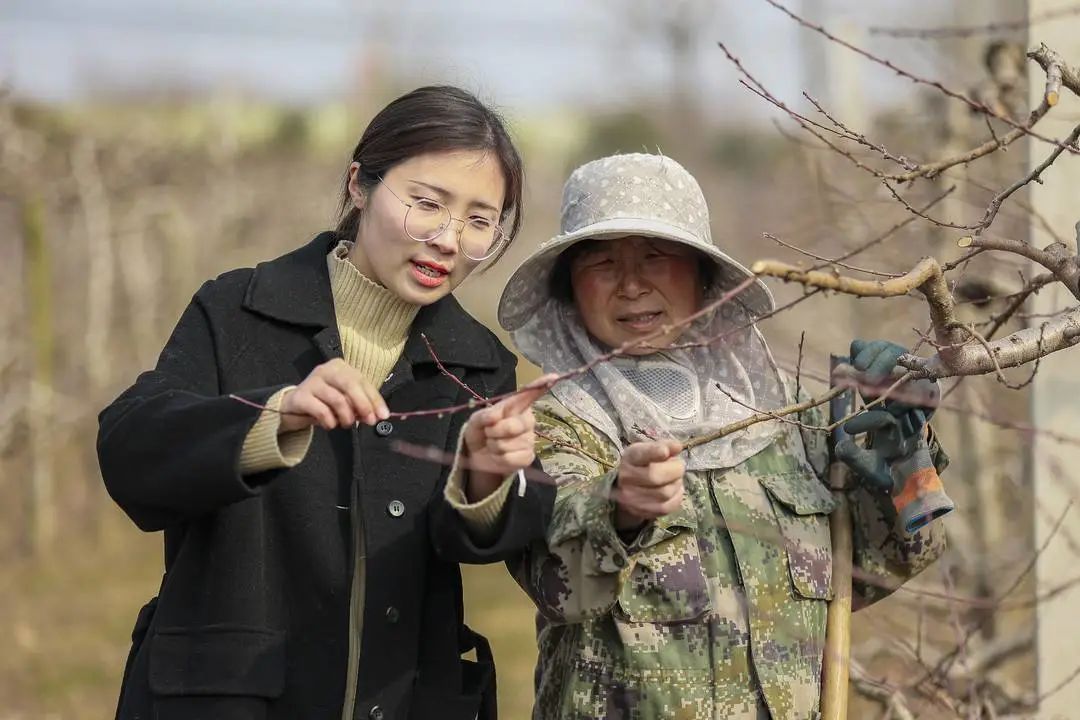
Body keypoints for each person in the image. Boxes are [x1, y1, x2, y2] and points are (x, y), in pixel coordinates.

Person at [97, 85, 554, 720]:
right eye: (428, 204)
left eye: (480, 220)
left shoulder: (478, 362)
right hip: (230, 697)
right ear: (360, 185)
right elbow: (130, 453)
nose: (449, 239)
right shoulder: (237, 310)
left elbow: (479, 544)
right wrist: (274, 415)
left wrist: (485, 476)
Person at [498, 153, 950, 719]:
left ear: (704, 277)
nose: (632, 284)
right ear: (570, 288)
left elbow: (884, 565)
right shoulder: (552, 424)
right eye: (602, 262)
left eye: (657, 257)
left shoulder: (786, 411)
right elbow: (558, 583)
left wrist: (908, 457)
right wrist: (619, 508)